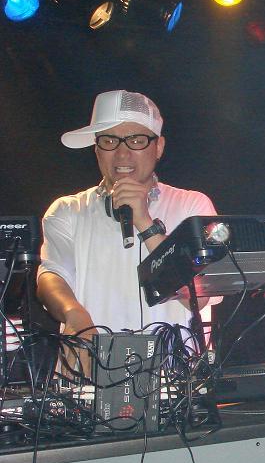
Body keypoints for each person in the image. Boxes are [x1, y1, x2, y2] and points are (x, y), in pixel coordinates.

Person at [37, 90, 217, 377]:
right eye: (109, 141)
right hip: (89, 378)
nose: (122, 153)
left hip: (174, 381)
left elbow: (198, 297)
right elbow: (51, 275)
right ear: (96, 149)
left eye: (136, 140)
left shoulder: (192, 206)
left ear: (158, 147)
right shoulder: (67, 210)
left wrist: (145, 223)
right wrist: (74, 315)